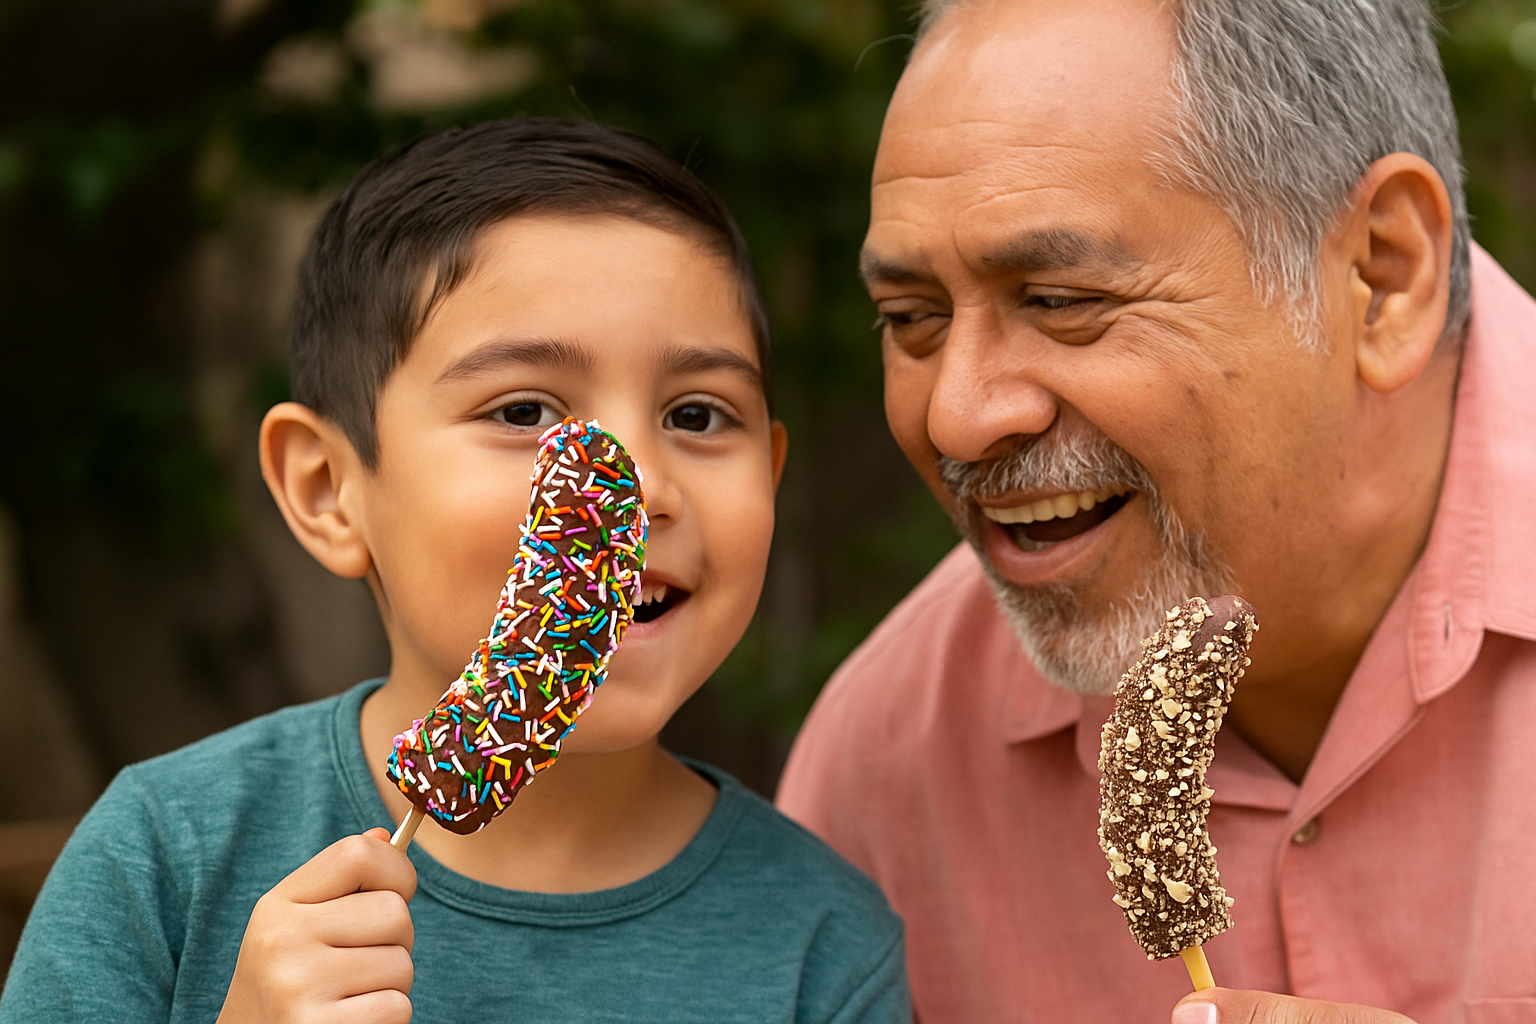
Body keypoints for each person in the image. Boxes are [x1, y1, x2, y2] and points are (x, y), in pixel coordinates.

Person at [0, 118, 910, 1024]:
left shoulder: (823, 945)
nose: (634, 486)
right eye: (523, 409)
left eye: (701, 415)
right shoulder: (170, 856)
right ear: (328, 491)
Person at [777, 1, 1536, 1023]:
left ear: (1381, 276)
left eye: (1059, 298)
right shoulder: (883, 768)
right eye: (910, 319)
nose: (957, 418)